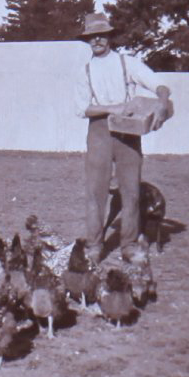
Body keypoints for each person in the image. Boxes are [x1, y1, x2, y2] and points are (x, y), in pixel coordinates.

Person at [74, 13, 172, 264]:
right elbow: (82, 109)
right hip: (99, 132)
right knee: (96, 191)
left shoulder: (128, 63)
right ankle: (94, 246)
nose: (97, 40)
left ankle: (128, 245)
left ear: (109, 37)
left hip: (129, 131)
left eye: (101, 35)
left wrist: (162, 103)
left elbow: (160, 85)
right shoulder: (84, 71)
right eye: (92, 36)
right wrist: (112, 108)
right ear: (87, 40)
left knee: (131, 191)